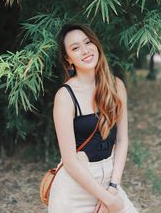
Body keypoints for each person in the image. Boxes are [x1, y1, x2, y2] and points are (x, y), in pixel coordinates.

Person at [48, 24, 139, 213]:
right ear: (68, 59)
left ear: (96, 45)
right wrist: (107, 199)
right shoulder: (65, 96)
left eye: (87, 42)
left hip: (109, 184)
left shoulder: (116, 86)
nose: (85, 50)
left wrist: (112, 189)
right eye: (75, 48)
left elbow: (121, 139)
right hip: (75, 190)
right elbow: (69, 160)